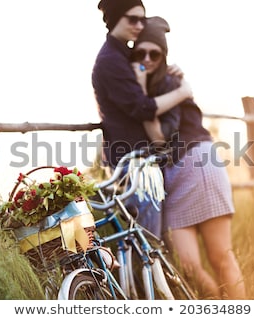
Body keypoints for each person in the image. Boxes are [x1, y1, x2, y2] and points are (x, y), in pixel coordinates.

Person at [131, 16, 246, 299]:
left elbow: (158, 136)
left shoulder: (170, 83)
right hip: (173, 177)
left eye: (154, 53)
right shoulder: (150, 83)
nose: (147, 58)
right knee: (188, 266)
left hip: (198, 166)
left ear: (164, 54)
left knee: (220, 257)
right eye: (140, 53)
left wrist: (142, 92)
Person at [93, 0, 192, 238]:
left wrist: (169, 69)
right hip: (129, 162)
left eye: (142, 19)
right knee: (148, 242)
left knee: (145, 242)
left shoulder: (125, 54)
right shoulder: (111, 60)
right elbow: (143, 108)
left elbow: (148, 76)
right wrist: (182, 92)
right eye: (132, 19)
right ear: (116, 18)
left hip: (140, 162)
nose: (139, 25)